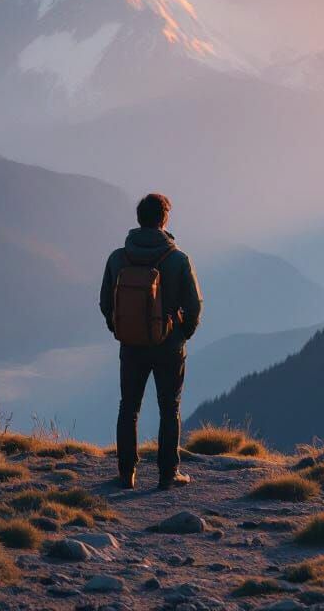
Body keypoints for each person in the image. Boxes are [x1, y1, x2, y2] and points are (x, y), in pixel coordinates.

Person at [100, 193, 203, 490]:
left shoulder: (118, 258)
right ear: (164, 219)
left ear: (139, 219)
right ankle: (168, 475)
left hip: (131, 346)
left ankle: (126, 474)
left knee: (128, 407)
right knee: (169, 407)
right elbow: (194, 307)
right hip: (169, 346)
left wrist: (121, 329)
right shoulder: (178, 259)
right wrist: (181, 334)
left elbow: (106, 302)